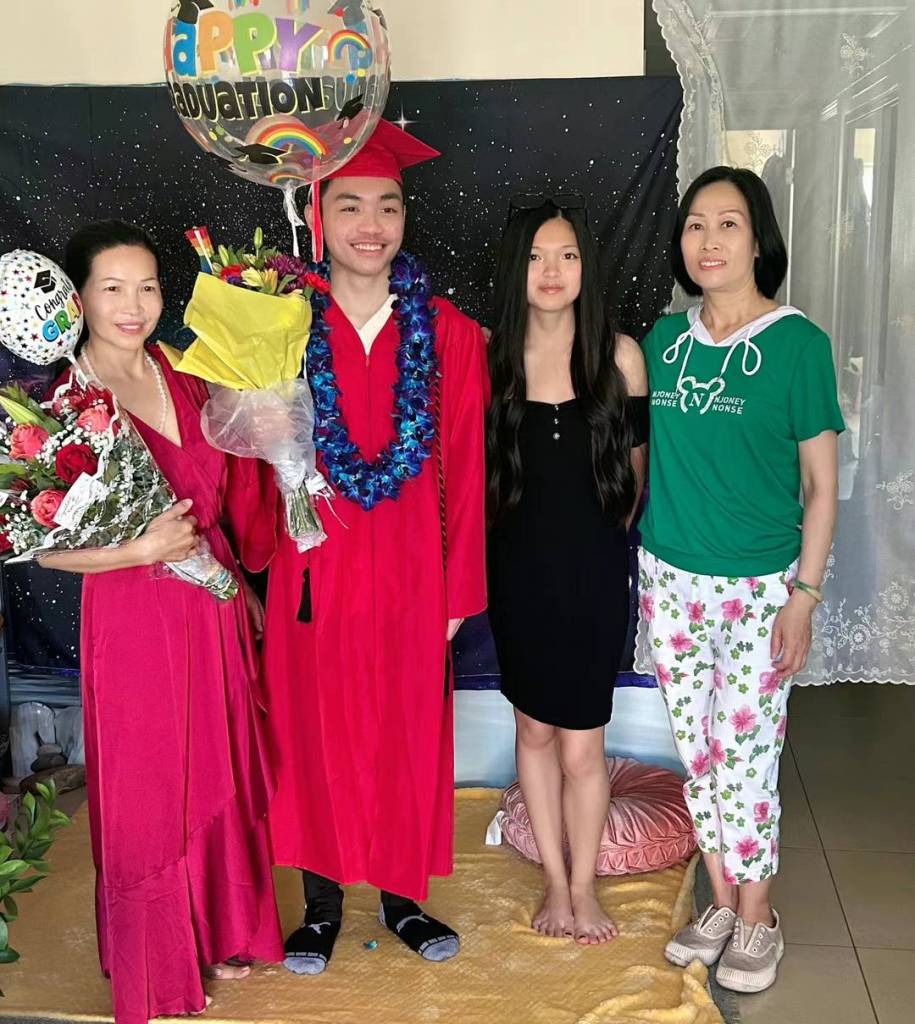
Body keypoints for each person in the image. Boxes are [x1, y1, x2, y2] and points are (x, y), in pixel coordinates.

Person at [229, 121, 488, 975]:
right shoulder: (279, 327)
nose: (370, 225)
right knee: (314, 732)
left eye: (387, 205)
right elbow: (251, 463)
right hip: (316, 567)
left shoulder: (447, 334)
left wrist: (457, 590)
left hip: (413, 572)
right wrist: (262, 550)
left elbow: (466, 464)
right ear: (318, 214)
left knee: (404, 732)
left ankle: (402, 898)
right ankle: (321, 905)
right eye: (350, 205)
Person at [41, 221, 283, 1023]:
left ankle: (219, 928)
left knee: (218, 766)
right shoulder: (65, 402)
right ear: (79, 299)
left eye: (147, 287)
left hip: (211, 604)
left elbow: (229, 483)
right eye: (112, 288)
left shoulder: (180, 370)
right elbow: (43, 550)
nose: (133, 304)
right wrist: (139, 548)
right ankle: (158, 958)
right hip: (134, 614)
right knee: (151, 787)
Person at [637, 167, 844, 993]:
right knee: (698, 753)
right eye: (695, 224)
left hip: (760, 588)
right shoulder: (661, 342)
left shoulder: (798, 345)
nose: (709, 240)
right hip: (669, 580)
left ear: (758, 239)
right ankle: (720, 905)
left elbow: (820, 487)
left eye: (728, 223)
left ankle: (758, 917)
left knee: (746, 756)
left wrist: (804, 596)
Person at [486, 194, 648, 943]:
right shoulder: (490, 358)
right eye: (535, 257)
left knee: (584, 744)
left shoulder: (619, 357)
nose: (551, 271)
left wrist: (596, 555)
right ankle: (554, 882)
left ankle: (585, 889)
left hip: (592, 577)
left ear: (587, 266)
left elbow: (634, 481)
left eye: (568, 255)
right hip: (517, 576)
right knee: (535, 732)